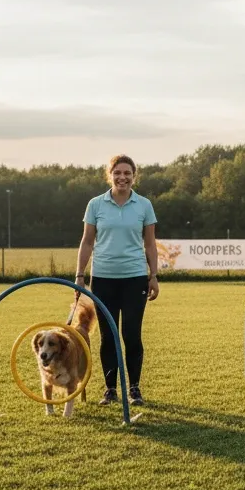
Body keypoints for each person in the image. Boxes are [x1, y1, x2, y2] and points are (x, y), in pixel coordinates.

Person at [75, 154, 159, 406]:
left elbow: (150, 244)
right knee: (108, 336)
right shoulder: (95, 205)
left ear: (134, 176)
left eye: (127, 173)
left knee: (131, 335)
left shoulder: (144, 205)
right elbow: (87, 242)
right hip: (102, 279)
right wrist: (80, 275)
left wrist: (153, 276)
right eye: (117, 173)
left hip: (134, 279)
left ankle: (134, 389)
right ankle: (110, 390)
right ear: (109, 175)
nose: (122, 177)